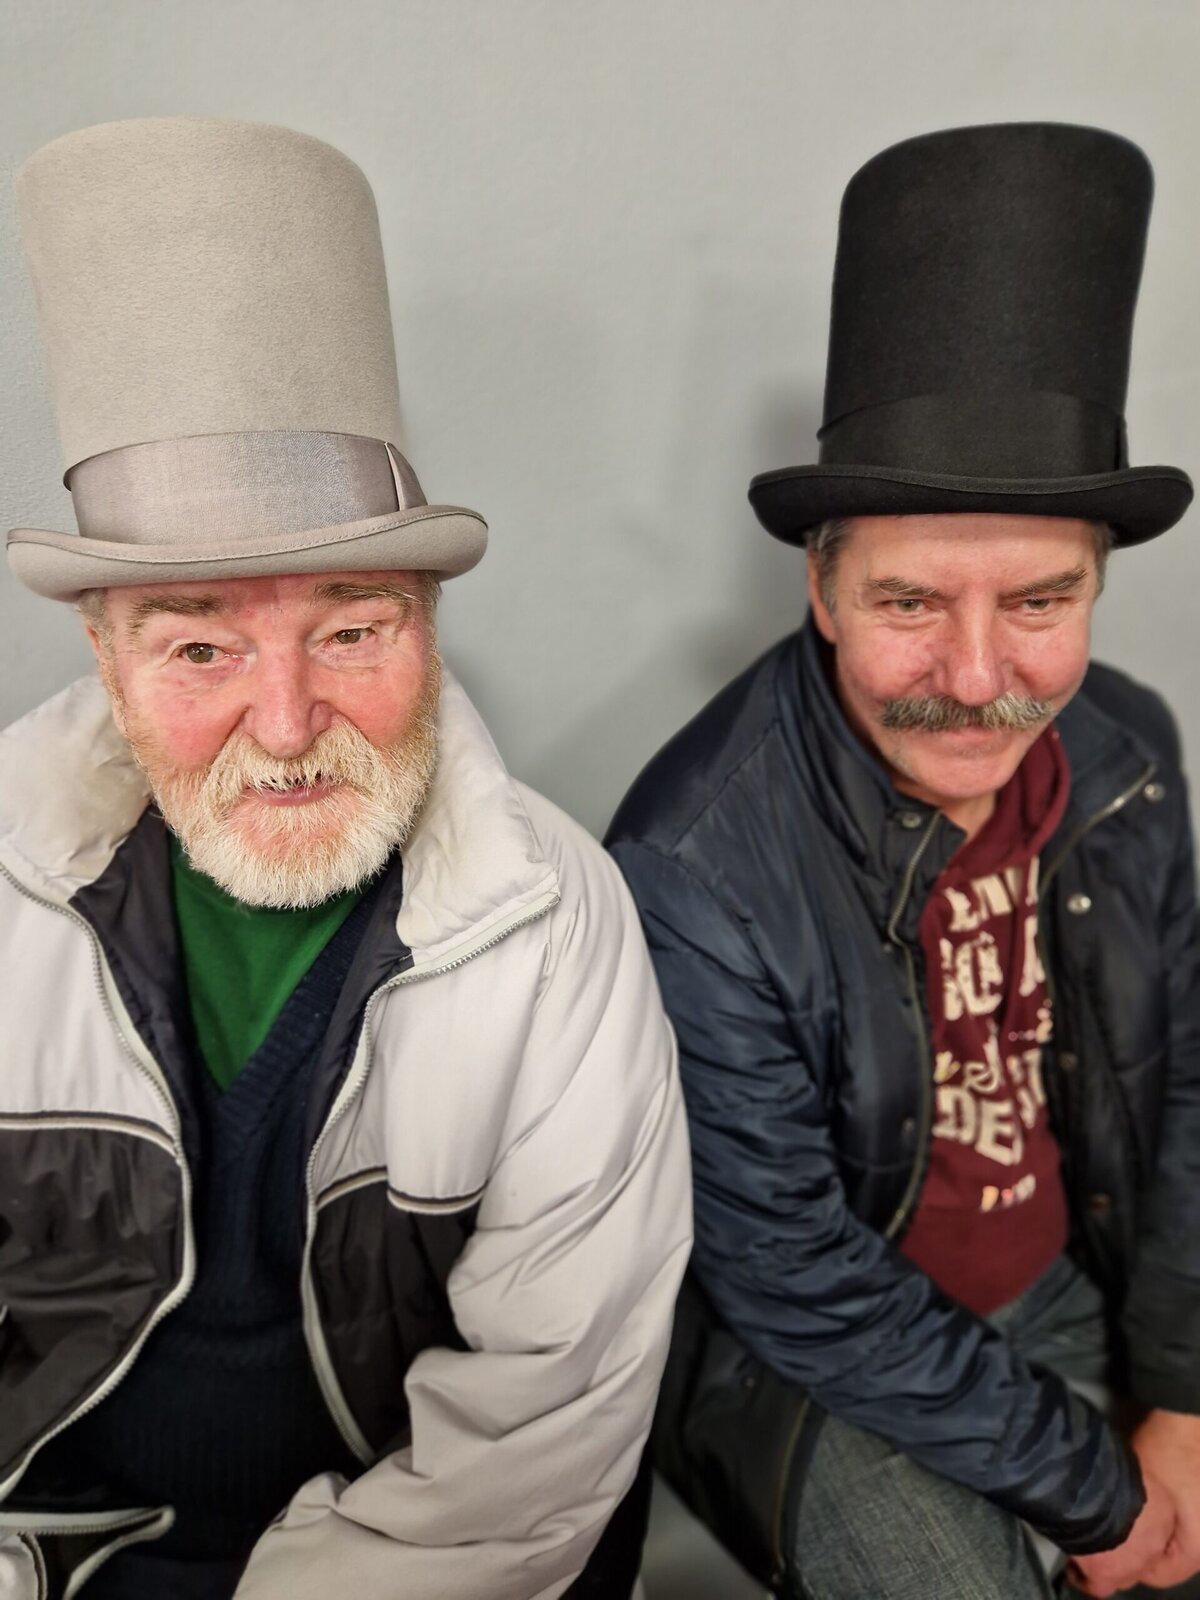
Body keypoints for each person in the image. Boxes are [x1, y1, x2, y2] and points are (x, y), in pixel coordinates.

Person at [0, 117, 691, 1600]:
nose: (288, 722)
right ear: (107, 661)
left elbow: (539, 1436)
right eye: (200, 648)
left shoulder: (559, 922)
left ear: (427, 626)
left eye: (354, 629)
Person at [607, 123, 1200, 1600]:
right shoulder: (694, 862)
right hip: (819, 1366)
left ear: (1097, 585)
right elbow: (794, 1277)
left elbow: (1187, 1076)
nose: (979, 679)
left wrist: (1184, 1393)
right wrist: (1100, 1494)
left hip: (1077, 1280)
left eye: (1041, 602)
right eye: (911, 603)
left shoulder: (1129, 752)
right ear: (821, 588)